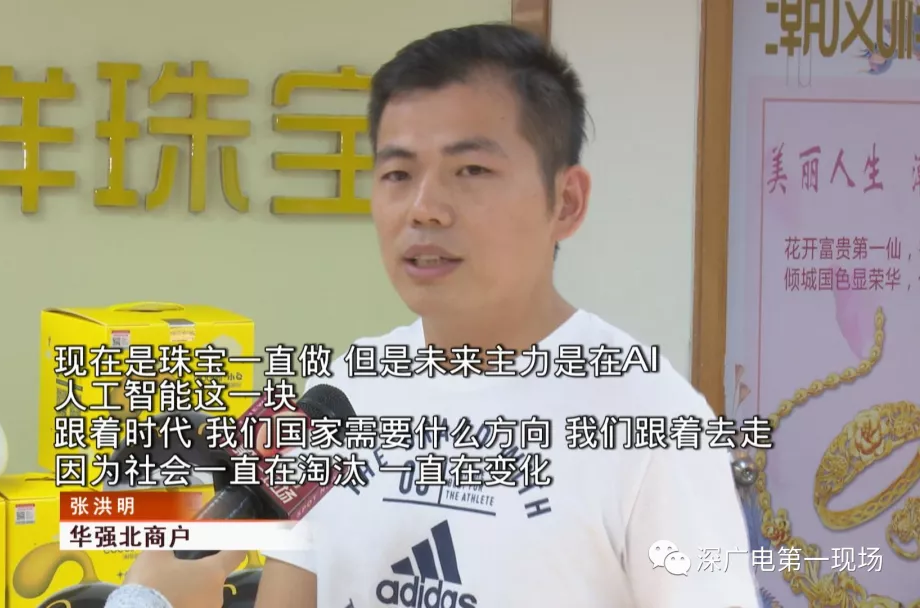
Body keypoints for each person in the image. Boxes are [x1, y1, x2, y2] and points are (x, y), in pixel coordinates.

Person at [107, 22, 759, 608]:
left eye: (470, 170)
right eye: (397, 174)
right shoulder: (341, 394)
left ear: (565, 201)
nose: (423, 209)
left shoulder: (655, 426)